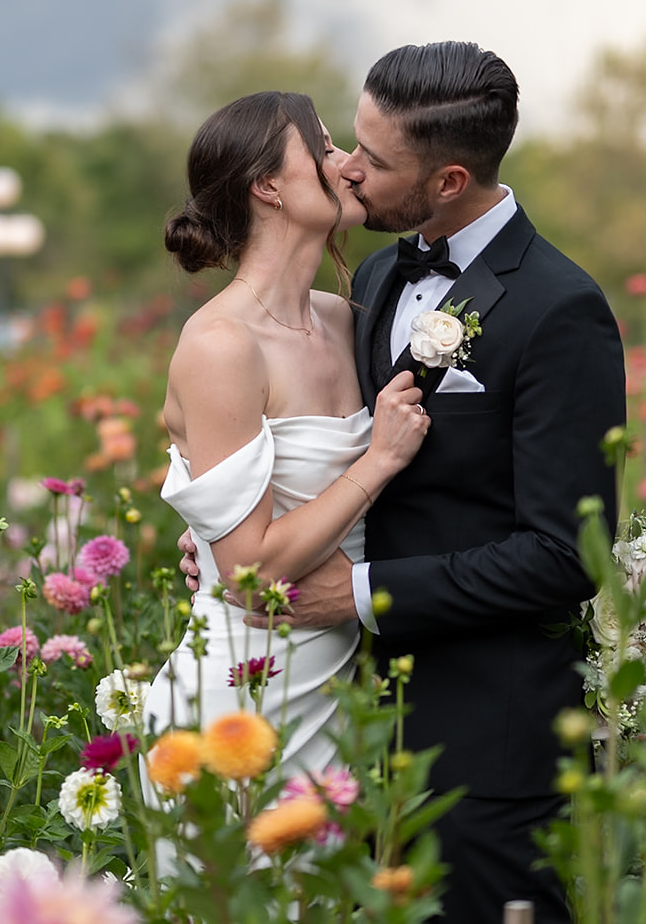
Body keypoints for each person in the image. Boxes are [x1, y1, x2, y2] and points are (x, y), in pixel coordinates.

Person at [193, 42, 626, 924]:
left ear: (449, 179)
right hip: (338, 715)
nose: (349, 166)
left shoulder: (558, 309)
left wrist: (356, 593)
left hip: (484, 737)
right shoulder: (378, 279)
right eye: (349, 141)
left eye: (376, 160)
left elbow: (562, 556)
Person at [141, 90, 430, 781]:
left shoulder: (344, 318)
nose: (349, 166)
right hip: (239, 699)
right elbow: (251, 572)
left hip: (339, 699)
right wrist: (380, 460)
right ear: (268, 186)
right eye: (326, 148)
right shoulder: (220, 344)